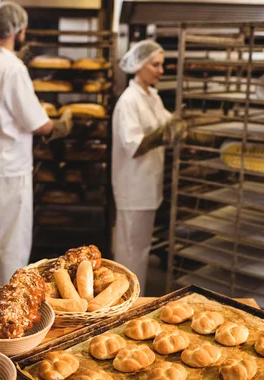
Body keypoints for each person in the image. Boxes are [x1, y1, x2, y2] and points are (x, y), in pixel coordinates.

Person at [0, 1, 73, 286]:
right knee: (12, 241)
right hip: (12, 165)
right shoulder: (13, 68)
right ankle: (8, 301)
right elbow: (37, 123)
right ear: (19, 30)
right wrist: (60, 125)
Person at [112, 39, 185, 293]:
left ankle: (136, 300)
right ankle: (121, 304)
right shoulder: (128, 101)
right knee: (129, 251)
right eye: (156, 65)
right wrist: (163, 134)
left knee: (141, 249)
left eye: (161, 65)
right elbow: (134, 145)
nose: (161, 70)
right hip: (132, 186)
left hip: (148, 187)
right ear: (140, 65)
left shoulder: (151, 96)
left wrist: (179, 126)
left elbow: (168, 123)